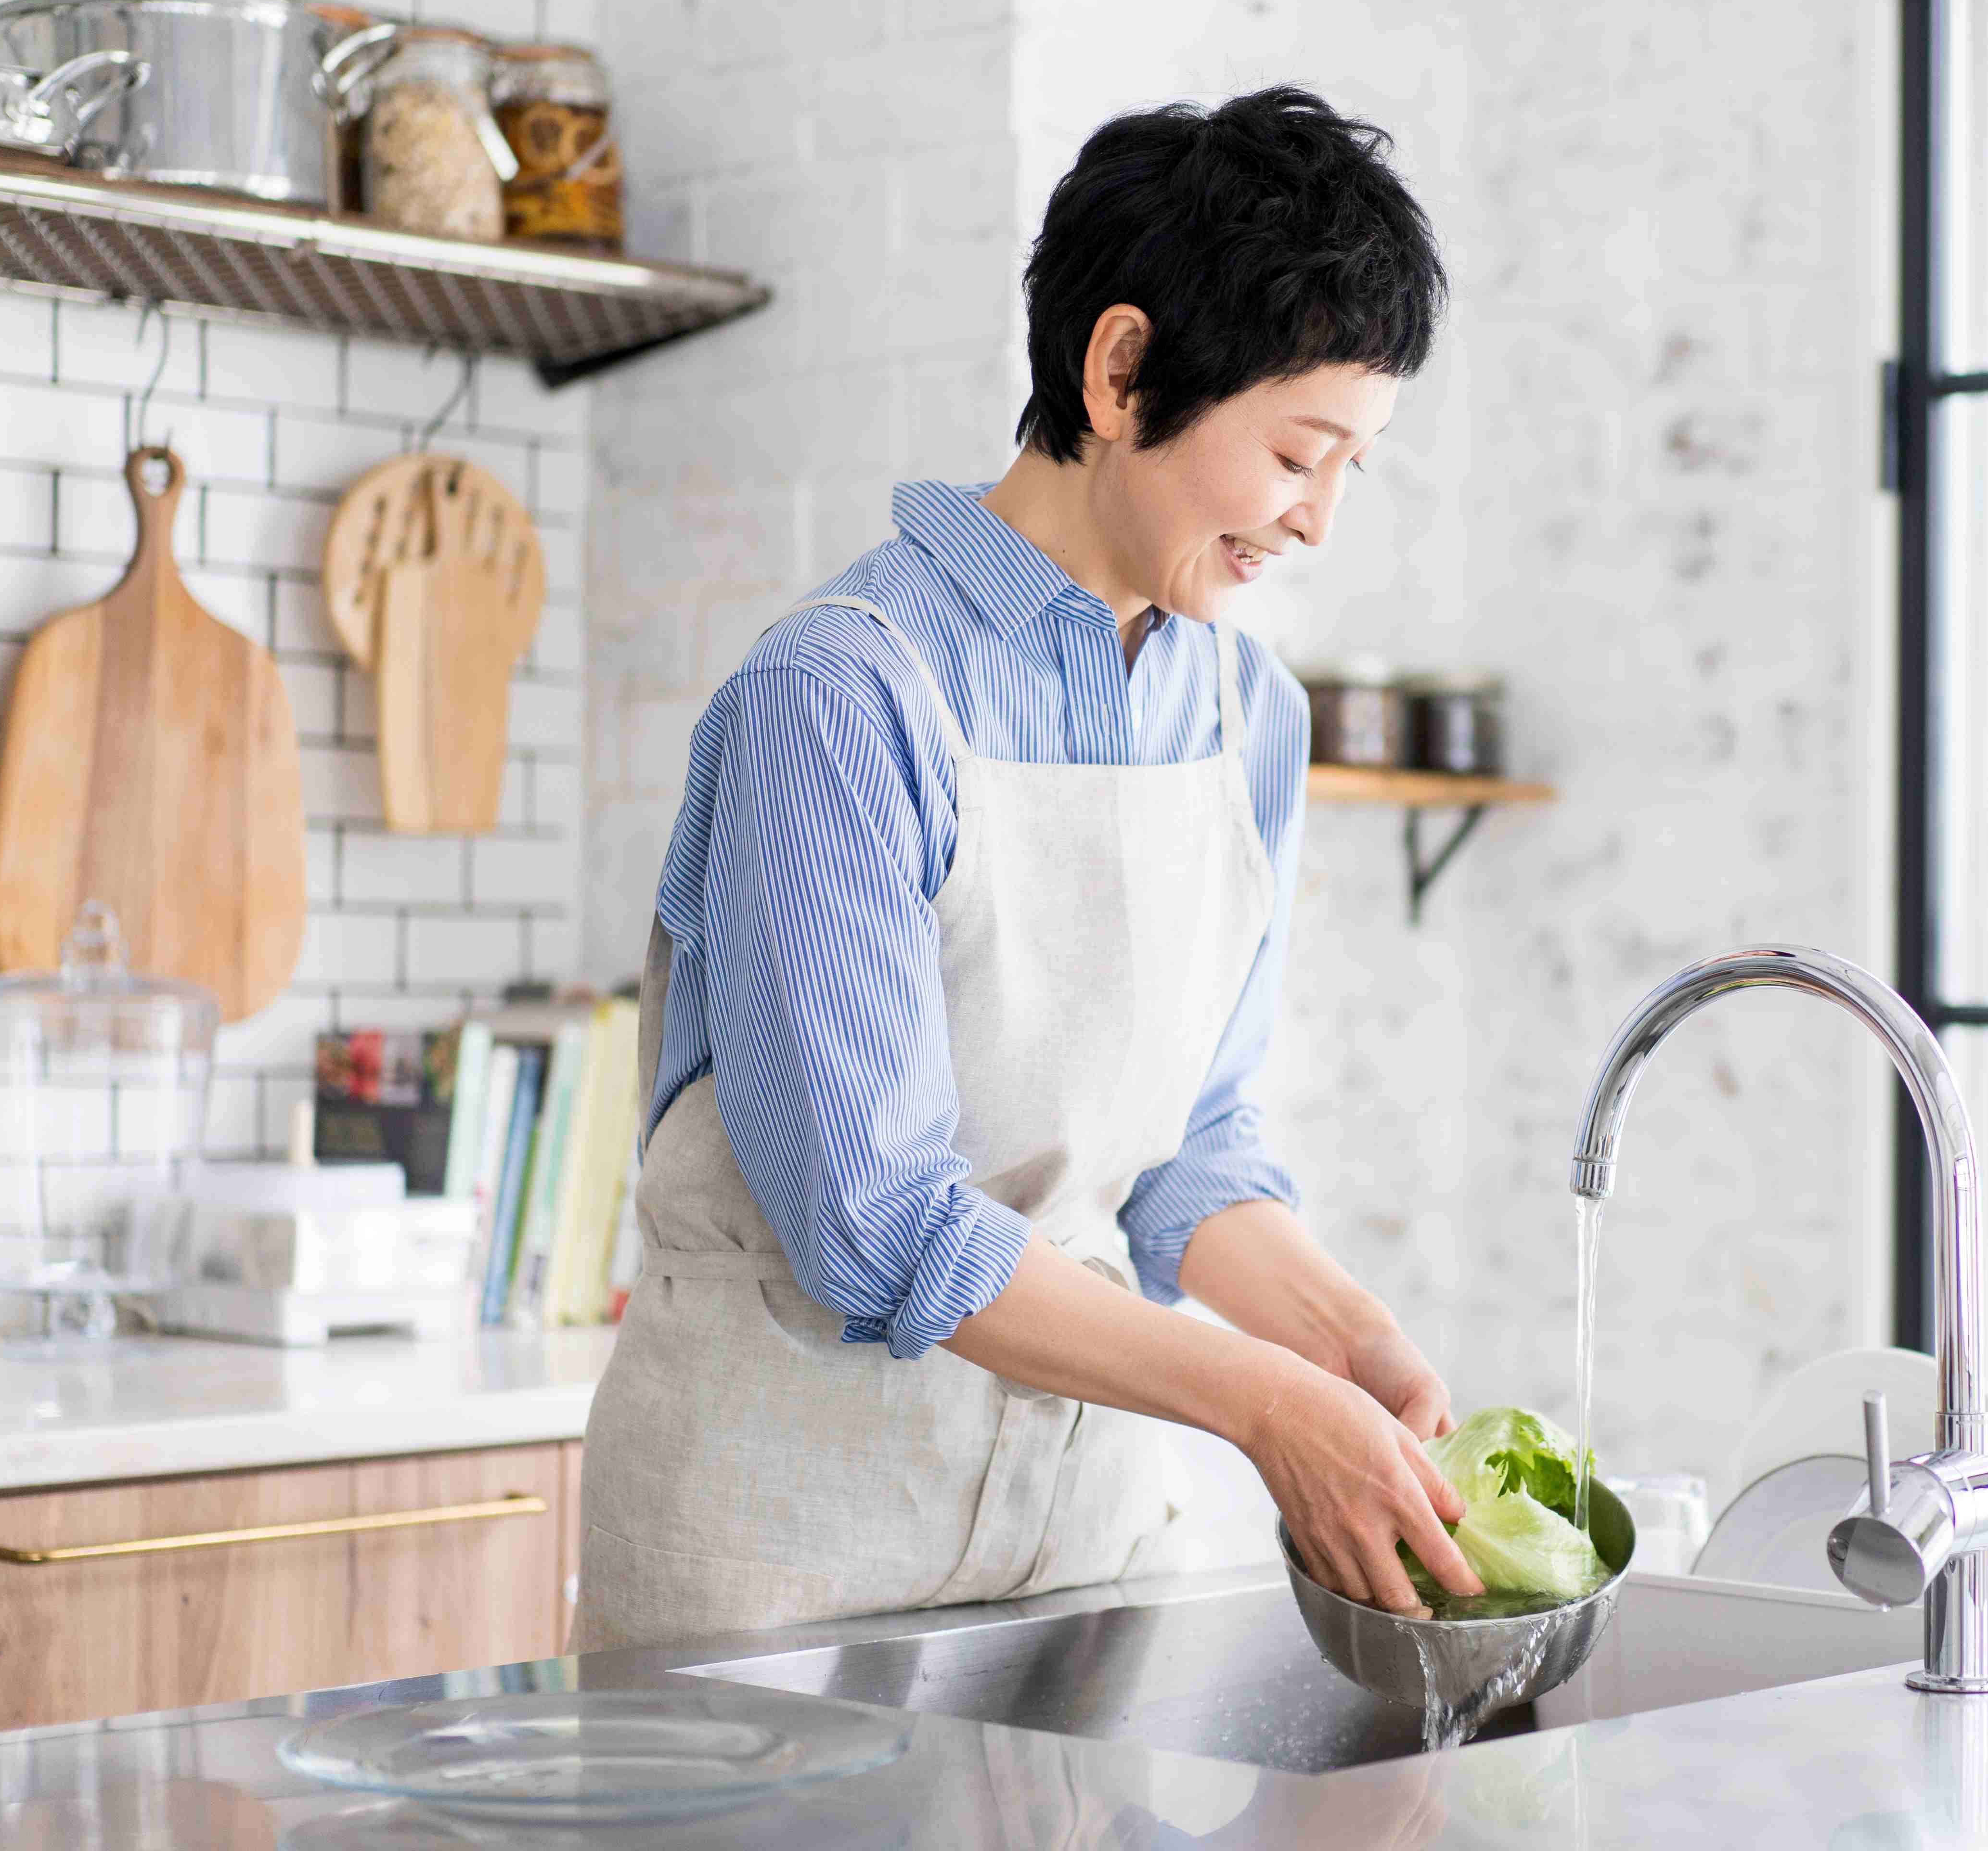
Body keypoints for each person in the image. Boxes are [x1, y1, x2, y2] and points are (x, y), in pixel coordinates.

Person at [572, 86, 1487, 1651]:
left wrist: (1353, 1348)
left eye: (1356, 465)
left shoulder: (1245, 713)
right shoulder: (841, 699)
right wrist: (1265, 1407)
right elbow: (881, 1222)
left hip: (1082, 1551)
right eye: (1296, 451)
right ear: (1122, 370)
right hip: (783, 1566)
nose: (1321, 520)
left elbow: (1189, 1154)